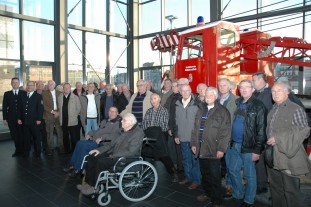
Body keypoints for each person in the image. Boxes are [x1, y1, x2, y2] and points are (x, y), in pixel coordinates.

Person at [266, 81, 310, 207]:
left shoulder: (295, 109)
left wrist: (278, 138)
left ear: (287, 93)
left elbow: (304, 131)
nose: (275, 93)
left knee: (291, 190)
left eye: (279, 90)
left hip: (288, 156)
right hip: (273, 154)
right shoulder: (274, 108)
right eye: (273, 91)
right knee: (276, 189)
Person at [77, 113, 144, 195]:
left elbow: (131, 151)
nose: (121, 121)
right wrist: (99, 150)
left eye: (124, 120)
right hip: (114, 154)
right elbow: (111, 145)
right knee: (92, 156)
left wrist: (113, 155)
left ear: (130, 123)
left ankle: (95, 187)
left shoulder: (138, 133)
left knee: (101, 162)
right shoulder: (122, 130)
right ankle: (88, 184)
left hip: (125, 158)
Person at [226, 79, 267, 207]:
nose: (244, 89)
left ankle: (249, 199)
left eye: (247, 87)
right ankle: (238, 194)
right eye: (241, 87)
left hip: (249, 146)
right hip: (235, 144)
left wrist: (257, 150)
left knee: (249, 175)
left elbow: (261, 130)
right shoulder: (238, 102)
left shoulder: (258, 105)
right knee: (232, 170)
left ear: (253, 89)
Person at [192, 87, 231, 206]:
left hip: (214, 149)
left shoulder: (223, 111)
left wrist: (221, 149)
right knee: (205, 174)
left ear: (215, 96)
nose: (207, 97)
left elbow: (226, 132)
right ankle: (207, 193)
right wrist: (193, 143)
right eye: (206, 95)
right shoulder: (201, 109)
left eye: (210, 95)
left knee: (215, 176)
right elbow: (195, 128)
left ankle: (216, 199)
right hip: (201, 148)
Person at [63, 106, 122, 177]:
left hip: (103, 144)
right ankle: (73, 164)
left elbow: (115, 136)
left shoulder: (118, 123)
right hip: (95, 140)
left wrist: (102, 138)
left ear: (117, 113)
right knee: (79, 143)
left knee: (84, 146)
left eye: (114, 111)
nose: (111, 113)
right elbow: (98, 130)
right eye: (110, 111)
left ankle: (78, 169)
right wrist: (90, 133)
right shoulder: (105, 120)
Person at [142, 93, 178, 182]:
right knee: (146, 154)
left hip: (160, 136)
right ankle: (146, 174)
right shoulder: (148, 111)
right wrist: (150, 130)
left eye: (154, 98)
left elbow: (163, 126)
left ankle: (173, 173)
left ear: (159, 100)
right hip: (149, 136)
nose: (152, 101)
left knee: (164, 155)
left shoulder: (164, 111)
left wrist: (152, 129)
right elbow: (144, 124)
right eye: (151, 99)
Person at [174, 84, 201, 190]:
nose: (185, 93)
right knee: (185, 159)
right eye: (183, 91)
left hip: (193, 138)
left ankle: (196, 180)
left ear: (191, 91)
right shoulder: (177, 104)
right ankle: (188, 177)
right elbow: (176, 121)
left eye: (187, 90)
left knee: (195, 161)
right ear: (180, 92)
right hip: (183, 137)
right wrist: (176, 135)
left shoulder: (197, 104)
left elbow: (199, 123)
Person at [217, 78, 239, 199]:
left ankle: (230, 186)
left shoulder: (236, 100)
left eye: (224, 85)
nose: (222, 87)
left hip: (229, 137)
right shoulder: (215, 99)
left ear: (230, 87)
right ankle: (219, 183)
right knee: (219, 162)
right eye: (220, 85)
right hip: (216, 137)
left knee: (230, 164)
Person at [252, 72, 273, 194]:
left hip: (266, 133)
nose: (253, 82)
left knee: (268, 161)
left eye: (254, 80)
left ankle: (264, 185)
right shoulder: (256, 93)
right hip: (256, 133)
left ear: (262, 80)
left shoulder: (270, 93)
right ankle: (261, 184)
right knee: (258, 161)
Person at [17, 81, 44, 158]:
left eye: (31, 85)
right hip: (24, 121)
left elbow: (40, 109)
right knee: (26, 138)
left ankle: (38, 152)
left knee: (36, 137)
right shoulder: (22, 95)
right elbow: (19, 108)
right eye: (28, 85)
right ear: (26, 86)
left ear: (34, 87)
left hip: (34, 121)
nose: (29, 87)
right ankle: (26, 151)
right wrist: (19, 118)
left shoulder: (38, 96)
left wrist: (39, 119)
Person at [2, 77, 26, 157]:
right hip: (11, 119)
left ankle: (23, 150)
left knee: (21, 135)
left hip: (22, 119)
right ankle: (17, 150)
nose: (15, 84)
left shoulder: (24, 93)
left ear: (19, 84)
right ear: (11, 84)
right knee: (14, 135)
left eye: (17, 82)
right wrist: (4, 118)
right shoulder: (7, 94)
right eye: (14, 82)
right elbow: (5, 107)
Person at [42, 80, 64, 155]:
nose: (50, 85)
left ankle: (61, 146)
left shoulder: (60, 93)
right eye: (49, 84)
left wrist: (58, 112)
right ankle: (50, 148)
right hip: (48, 115)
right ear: (48, 85)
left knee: (59, 132)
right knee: (49, 133)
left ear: (54, 85)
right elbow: (44, 106)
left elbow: (62, 104)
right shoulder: (44, 94)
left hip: (58, 115)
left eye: (52, 84)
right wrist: (53, 112)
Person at [58, 83, 81, 153]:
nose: (66, 89)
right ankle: (67, 151)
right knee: (65, 137)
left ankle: (74, 151)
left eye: (68, 88)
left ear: (70, 88)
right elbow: (59, 108)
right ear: (63, 89)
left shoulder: (75, 97)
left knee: (74, 138)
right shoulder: (60, 97)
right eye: (64, 88)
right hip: (63, 121)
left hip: (72, 121)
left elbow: (79, 108)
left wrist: (74, 115)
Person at [35, 81, 48, 153]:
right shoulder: (33, 94)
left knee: (44, 133)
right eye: (38, 84)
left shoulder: (46, 93)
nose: (40, 86)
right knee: (36, 133)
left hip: (45, 116)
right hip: (35, 117)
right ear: (36, 86)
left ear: (43, 85)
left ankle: (45, 147)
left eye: (41, 84)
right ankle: (37, 148)